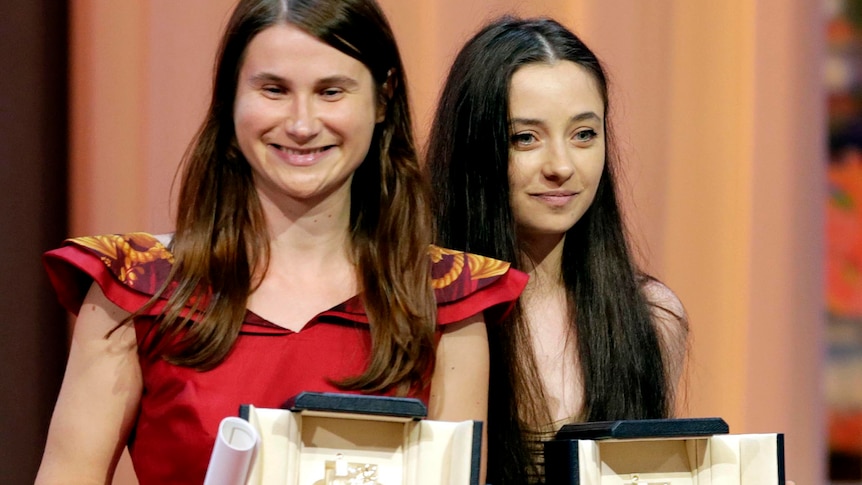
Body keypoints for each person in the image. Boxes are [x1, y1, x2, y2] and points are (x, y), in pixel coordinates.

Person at [34, 1, 526, 483]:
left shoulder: (447, 296)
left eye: (331, 92)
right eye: (274, 90)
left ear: (383, 98)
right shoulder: (135, 286)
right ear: (231, 99)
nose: (301, 124)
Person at [426, 16, 689, 484]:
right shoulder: (422, 305)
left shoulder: (651, 316)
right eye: (525, 138)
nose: (561, 166)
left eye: (583, 134)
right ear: (474, 147)